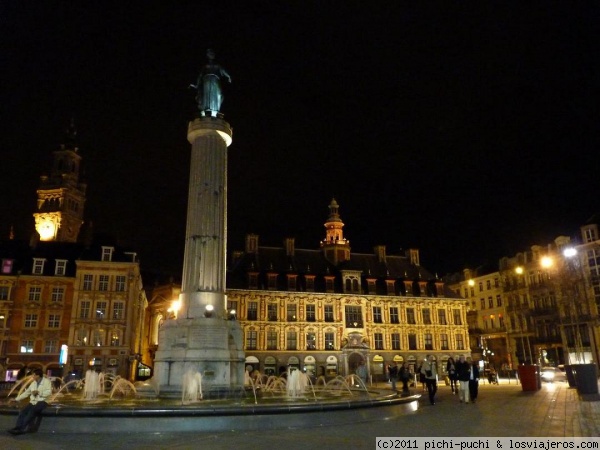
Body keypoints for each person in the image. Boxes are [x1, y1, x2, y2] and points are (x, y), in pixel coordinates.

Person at [8, 368, 52, 434]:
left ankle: (21, 429)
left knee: (32, 411)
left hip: (42, 401)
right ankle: (17, 427)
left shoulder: (46, 382)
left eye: (34, 375)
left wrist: (39, 393)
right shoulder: (33, 383)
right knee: (23, 411)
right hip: (33, 401)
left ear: (38, 376)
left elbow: (49, 392)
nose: (32, 377)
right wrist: (16, 399)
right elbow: (26, 393)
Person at [190, 49, 231, 115]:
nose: (211, 55)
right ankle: (206, 109)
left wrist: (228, 76)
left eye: (212, 54)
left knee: (218, 95)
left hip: (215, 80)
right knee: (207, 94)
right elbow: (200, 75)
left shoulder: (217, 65)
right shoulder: (205, 65)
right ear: (207, 56)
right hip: (207, 80)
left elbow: (223, 70)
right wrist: (196, 85)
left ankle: (215, 110)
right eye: (209, 54)